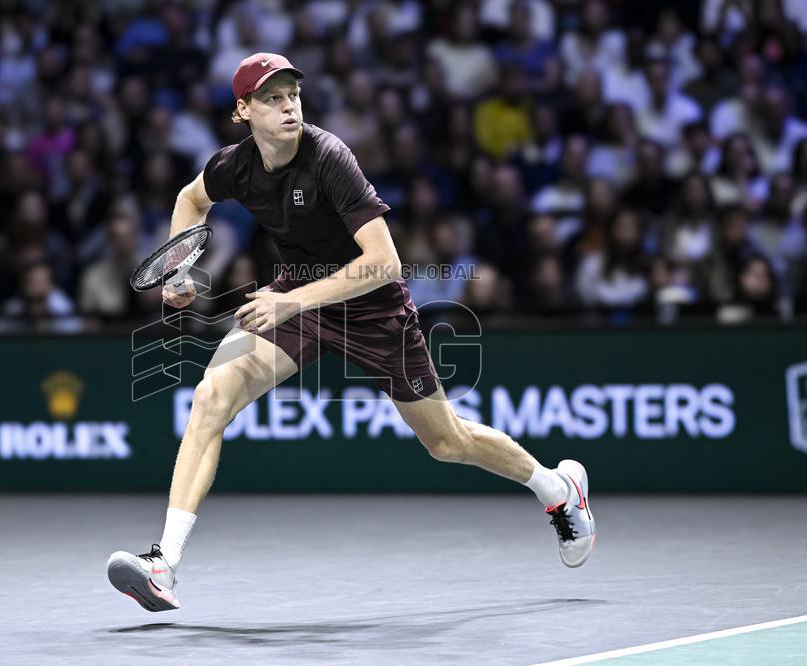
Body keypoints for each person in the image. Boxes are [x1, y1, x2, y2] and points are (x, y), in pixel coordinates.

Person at [107, 54, 596, 612]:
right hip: (298, 301)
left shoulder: (329, 157)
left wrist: (290, 300)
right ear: (243, 111)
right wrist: (180, 270)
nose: (288, 104)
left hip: (371, 308)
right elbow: (190, 200)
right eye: (271, 98)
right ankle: (164, 564)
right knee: (212, 396)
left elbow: (385, 261)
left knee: (446, 443)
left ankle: (558, 490)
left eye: (292, 93)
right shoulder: (233, 167)